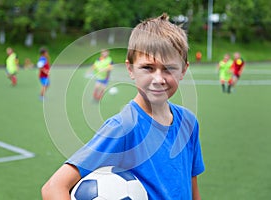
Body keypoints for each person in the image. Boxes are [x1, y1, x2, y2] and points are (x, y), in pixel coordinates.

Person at [41, 13, 205, 200]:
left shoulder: (188, 122)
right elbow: (54, 188)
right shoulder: (123, 128)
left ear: (183, 70)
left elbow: (193, 191)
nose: (158, 79)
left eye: (169, 68)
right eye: (148, 68)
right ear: (130, 69)